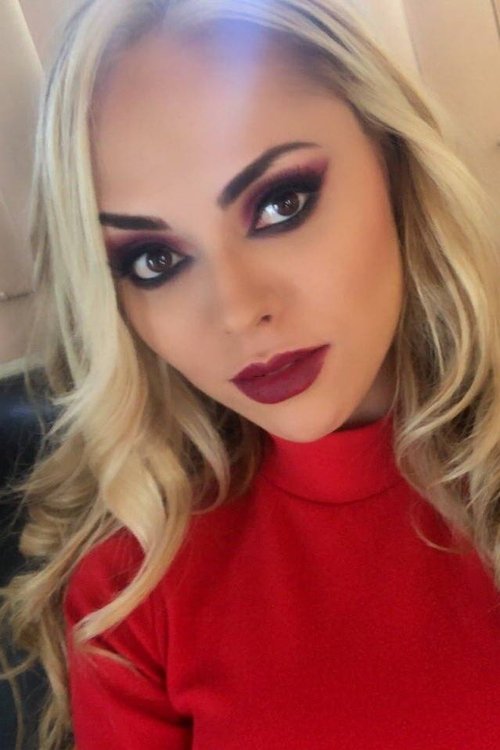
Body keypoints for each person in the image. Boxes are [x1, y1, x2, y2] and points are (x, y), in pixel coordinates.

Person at [1, 0, 500, 747]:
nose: (237, 311)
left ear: (395, 162)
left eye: (280, 203)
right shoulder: (132, 590)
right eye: (154, 260)